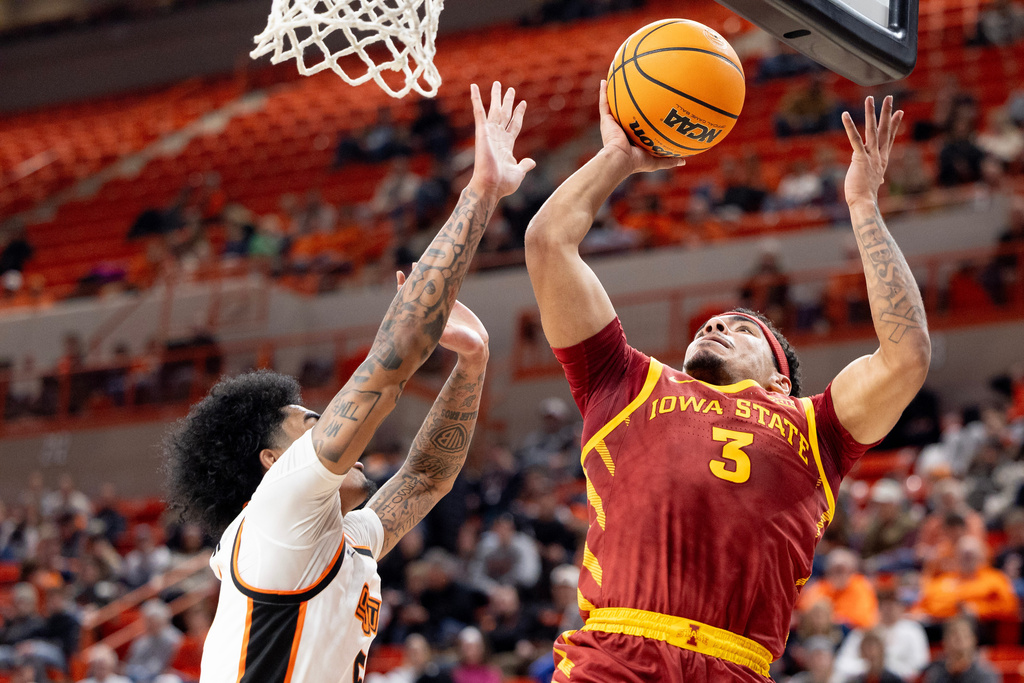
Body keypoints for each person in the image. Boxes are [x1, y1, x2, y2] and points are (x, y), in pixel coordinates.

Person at [525, 87, 930, 683]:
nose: (716, 325)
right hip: (616, 656)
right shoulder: (626, 381)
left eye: (743, 329)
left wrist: (863, 205)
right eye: (711, 323)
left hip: (736, 667)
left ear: (780, 379)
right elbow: (548, 245)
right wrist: (617, 159)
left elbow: (907, 356)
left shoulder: (816, 428)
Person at [164, 82, 534, 683]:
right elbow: (389, 365)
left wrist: (472, 361)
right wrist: (481, 193)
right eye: (307, 421)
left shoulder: (333, 533)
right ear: (272, 463)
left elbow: (426, 476)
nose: (327, 424)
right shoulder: (280, 512)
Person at [922, 617, 999, 683]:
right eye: (955, 635)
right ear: (944, 640)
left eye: (965, 636)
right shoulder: (936, 671)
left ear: (974, 640)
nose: (960, 640)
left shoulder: (985, 673)